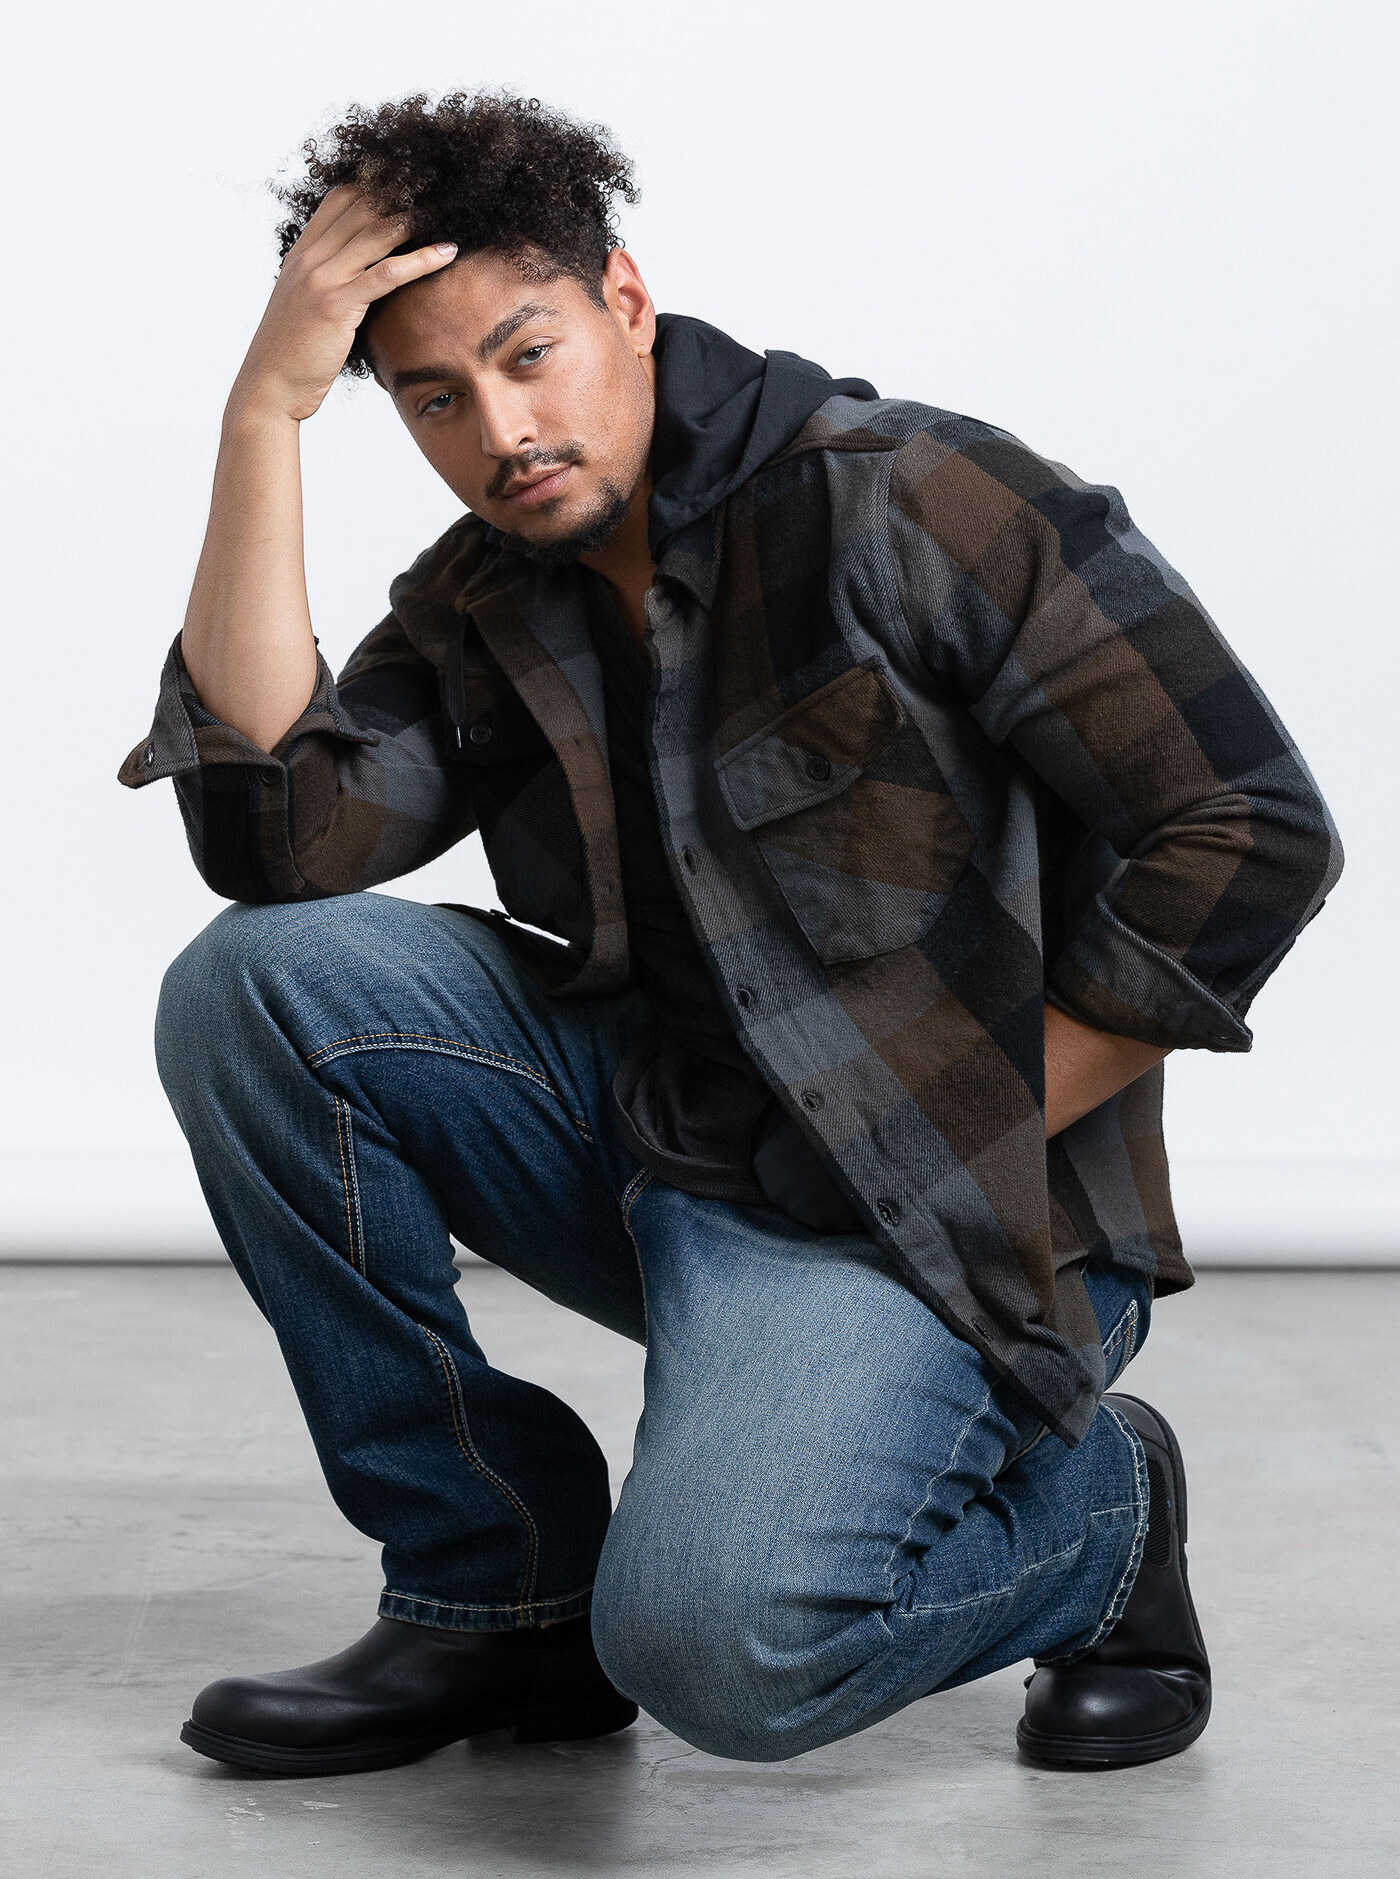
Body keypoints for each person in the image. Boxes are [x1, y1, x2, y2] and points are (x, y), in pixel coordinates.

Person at [120, 91, 1341, 1778]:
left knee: (727, 1653)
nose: (503, 429)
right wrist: (264, 410)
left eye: (528, 354)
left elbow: (1249, 827)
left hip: (945, 1213)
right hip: (668, 1137)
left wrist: (950, 1130)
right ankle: (498, 1590)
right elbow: (279, 843)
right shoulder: (491, 586)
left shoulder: (915, 499)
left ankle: (1104, 1518)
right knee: (256, 990)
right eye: (434, 397)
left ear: (625, 299)